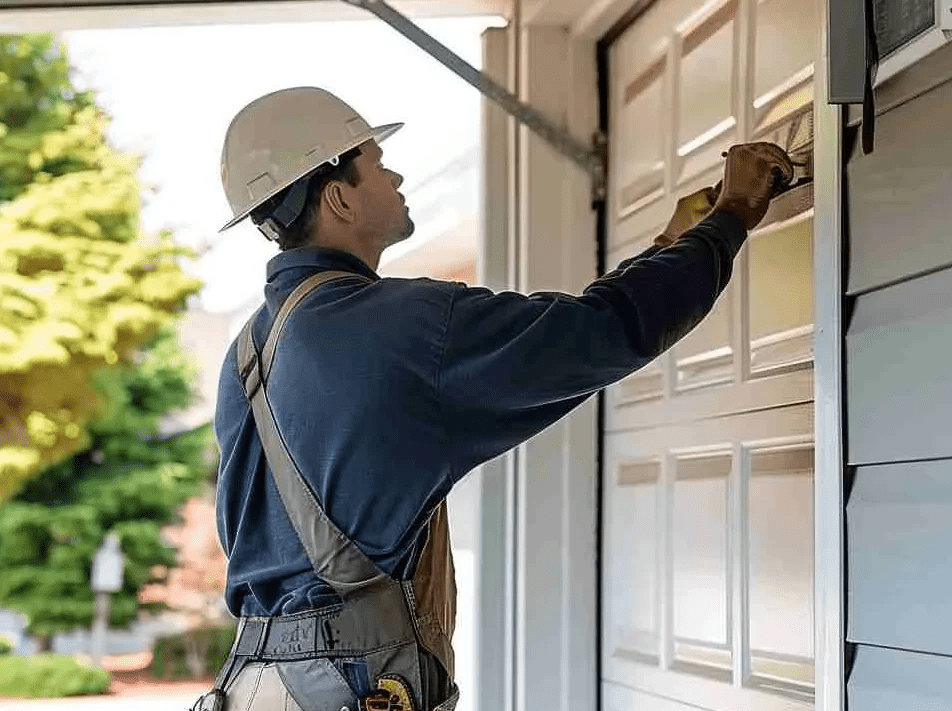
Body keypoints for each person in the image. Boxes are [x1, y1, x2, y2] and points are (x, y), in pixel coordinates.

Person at [195, 86, 792, 711]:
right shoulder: (402, 327)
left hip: (251, 684)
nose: (395, 173)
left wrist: (671, 246)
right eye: (374, 160)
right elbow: (604, 332)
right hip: (344, 685)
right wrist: (730, 220)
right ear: (339, 196)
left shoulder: (247, 353)